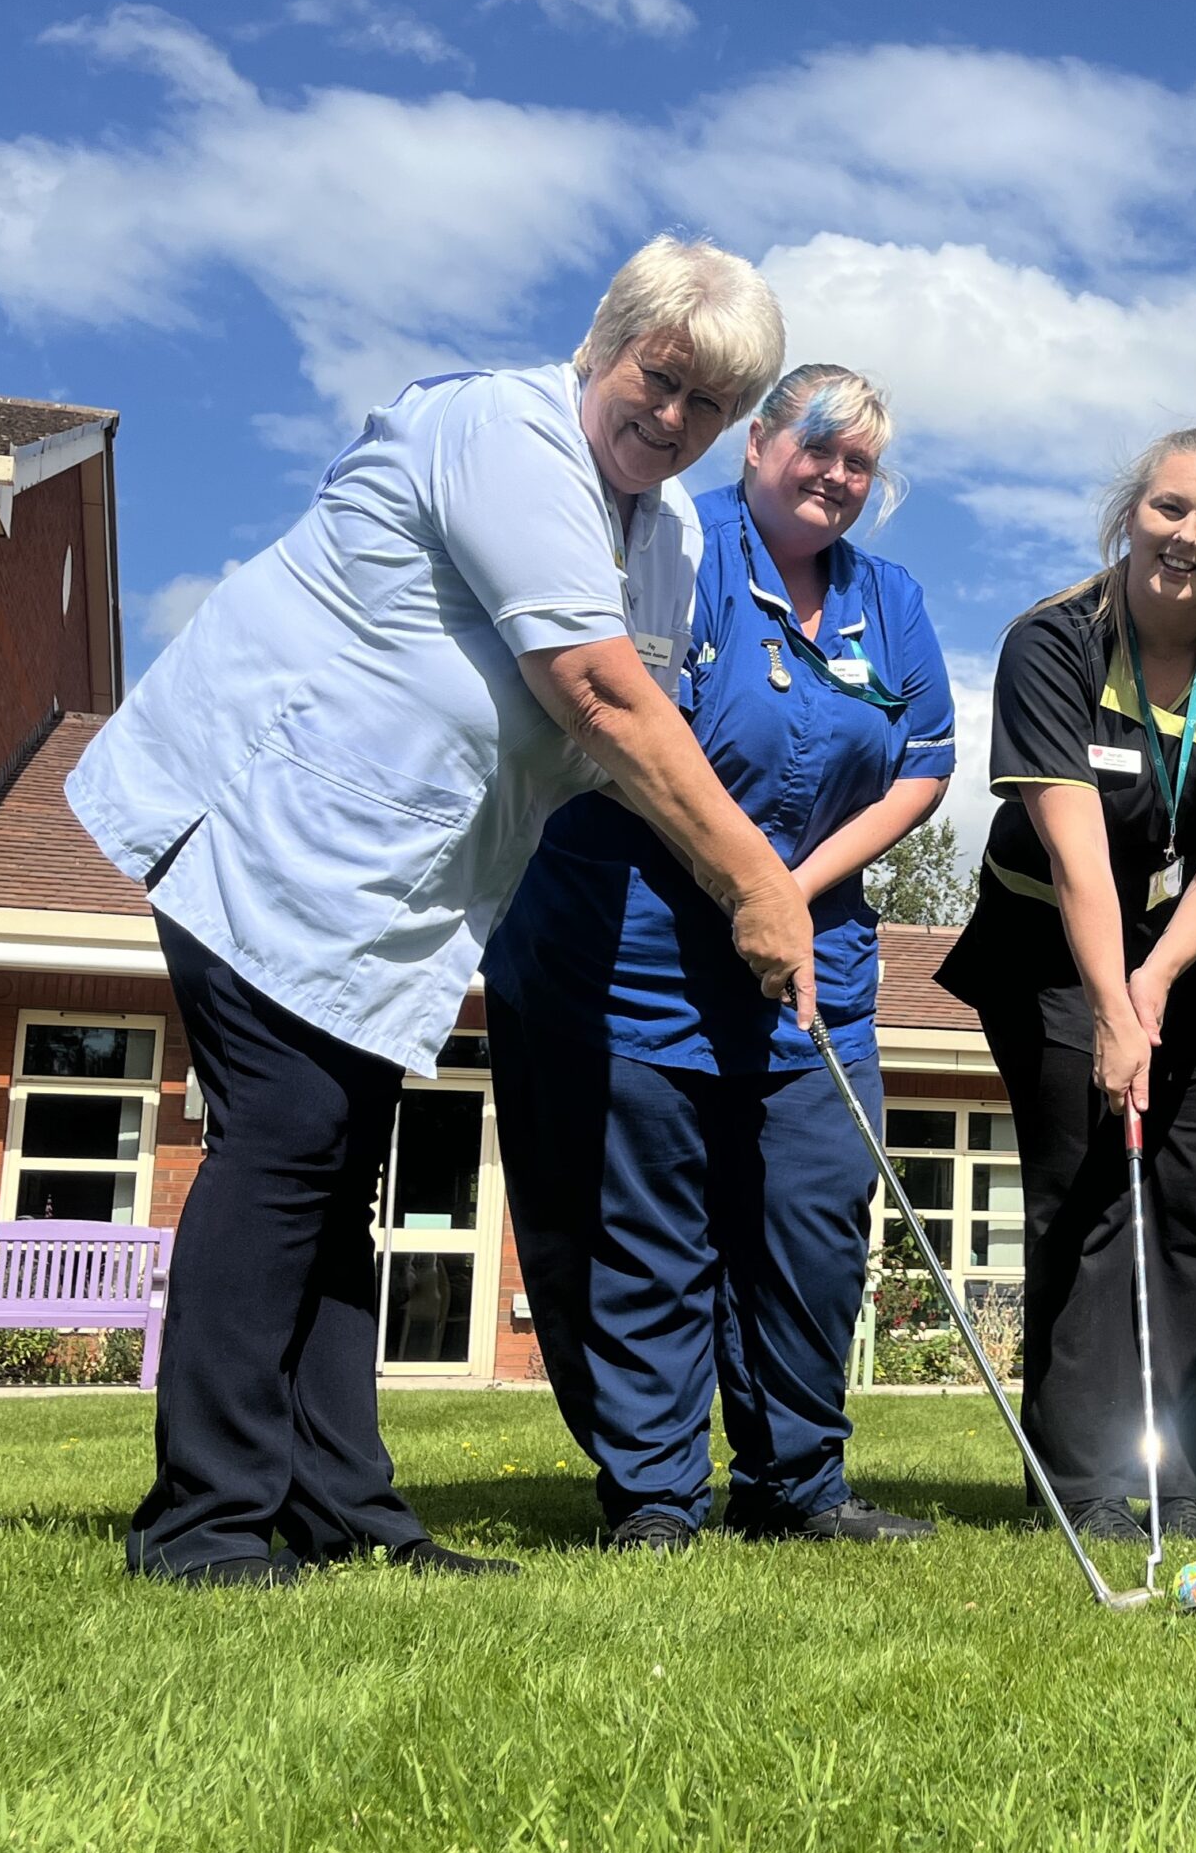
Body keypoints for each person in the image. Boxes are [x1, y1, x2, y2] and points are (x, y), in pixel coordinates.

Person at [66, 237, 807, 1587]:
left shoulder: (666, 529)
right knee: (288, 1143)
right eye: (663, 377)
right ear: (607, 343)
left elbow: (629, 725)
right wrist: (753, 876)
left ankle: (343, 1511)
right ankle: (203, 1528)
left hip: (381, 890)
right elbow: (595, 692)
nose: (676, 419)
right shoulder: (499, 433)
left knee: (332, 1166)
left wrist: (719, 864)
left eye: (710, 406)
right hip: (266, 825)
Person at [483, 364, 954, 1550]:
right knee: (649, 1232)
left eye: (860, 463)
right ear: (757, 444)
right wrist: (738, 878)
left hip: (815, 976)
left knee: (812, 1226)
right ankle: (653, 1494)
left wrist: (786, 889)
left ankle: (797, 1487)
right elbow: (617, 733)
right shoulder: (674, 554)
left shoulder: (887, 597)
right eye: (819, 448)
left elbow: (925, 763)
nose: (838, 477)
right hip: (637, 954)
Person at [936, 421, 1196, 1543]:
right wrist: (1116, 1004)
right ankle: (1083, 1487)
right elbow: (1072, 849)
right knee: (1089, 1205)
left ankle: (1181, 1483)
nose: (1186, 534)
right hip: (1056, 950)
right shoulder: (1054, 639)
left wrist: (1160, 977)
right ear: (1130, 511)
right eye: (1168, 508)